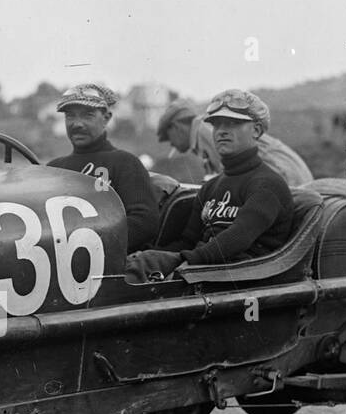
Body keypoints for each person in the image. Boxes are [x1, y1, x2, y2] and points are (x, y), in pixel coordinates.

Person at [128, 89, 293, 281]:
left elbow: (238, 238)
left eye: (233, 123)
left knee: (142, 265)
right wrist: (151, 254)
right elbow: (188, 241)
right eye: (217, 124)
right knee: (137, 261)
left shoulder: (268, 184)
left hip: (242, 276)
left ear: (256, 130)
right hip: (207, 269)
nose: (222, 131)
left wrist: (186, 264)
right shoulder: (211, 186)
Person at [47, 83, 159, 252]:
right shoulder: (54, 169)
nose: (77, 124)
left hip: (109, 262)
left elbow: (144, 222)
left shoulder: (125, 163)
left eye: (88, 115)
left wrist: (89, 245)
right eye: (70, 116)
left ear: (106, 118)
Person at [157, 101, 314, 188]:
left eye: (169, 138)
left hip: (288, 182)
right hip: (292, 180)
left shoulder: (205, 130)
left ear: (176, 127)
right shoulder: (204, 132)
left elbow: (230, 177)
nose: (173, 145)